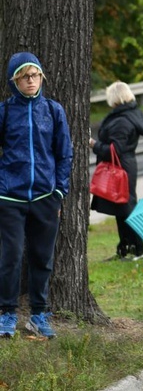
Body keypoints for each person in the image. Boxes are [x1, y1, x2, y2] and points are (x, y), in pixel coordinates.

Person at [0, 52, 73, 339]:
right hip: (10, 198)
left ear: (41, 77)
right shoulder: (5, 112)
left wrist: (58, 191)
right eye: (24, 76)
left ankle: (38, 315)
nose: (31, 81)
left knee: (42, 258)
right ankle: (6, 313)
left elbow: (64, 153)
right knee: (11, 256)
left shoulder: (54, 111)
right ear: (14, 81)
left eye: (35, 75)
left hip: (45, 197)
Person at [89, 81, 143, 260]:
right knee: (121, 208)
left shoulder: (121, 120)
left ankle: (137, 249)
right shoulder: (131, 114)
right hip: (126, 165)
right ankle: (125, 247)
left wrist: (93, 144)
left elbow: (114, 150)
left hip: (120, 167)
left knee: (127, 209)